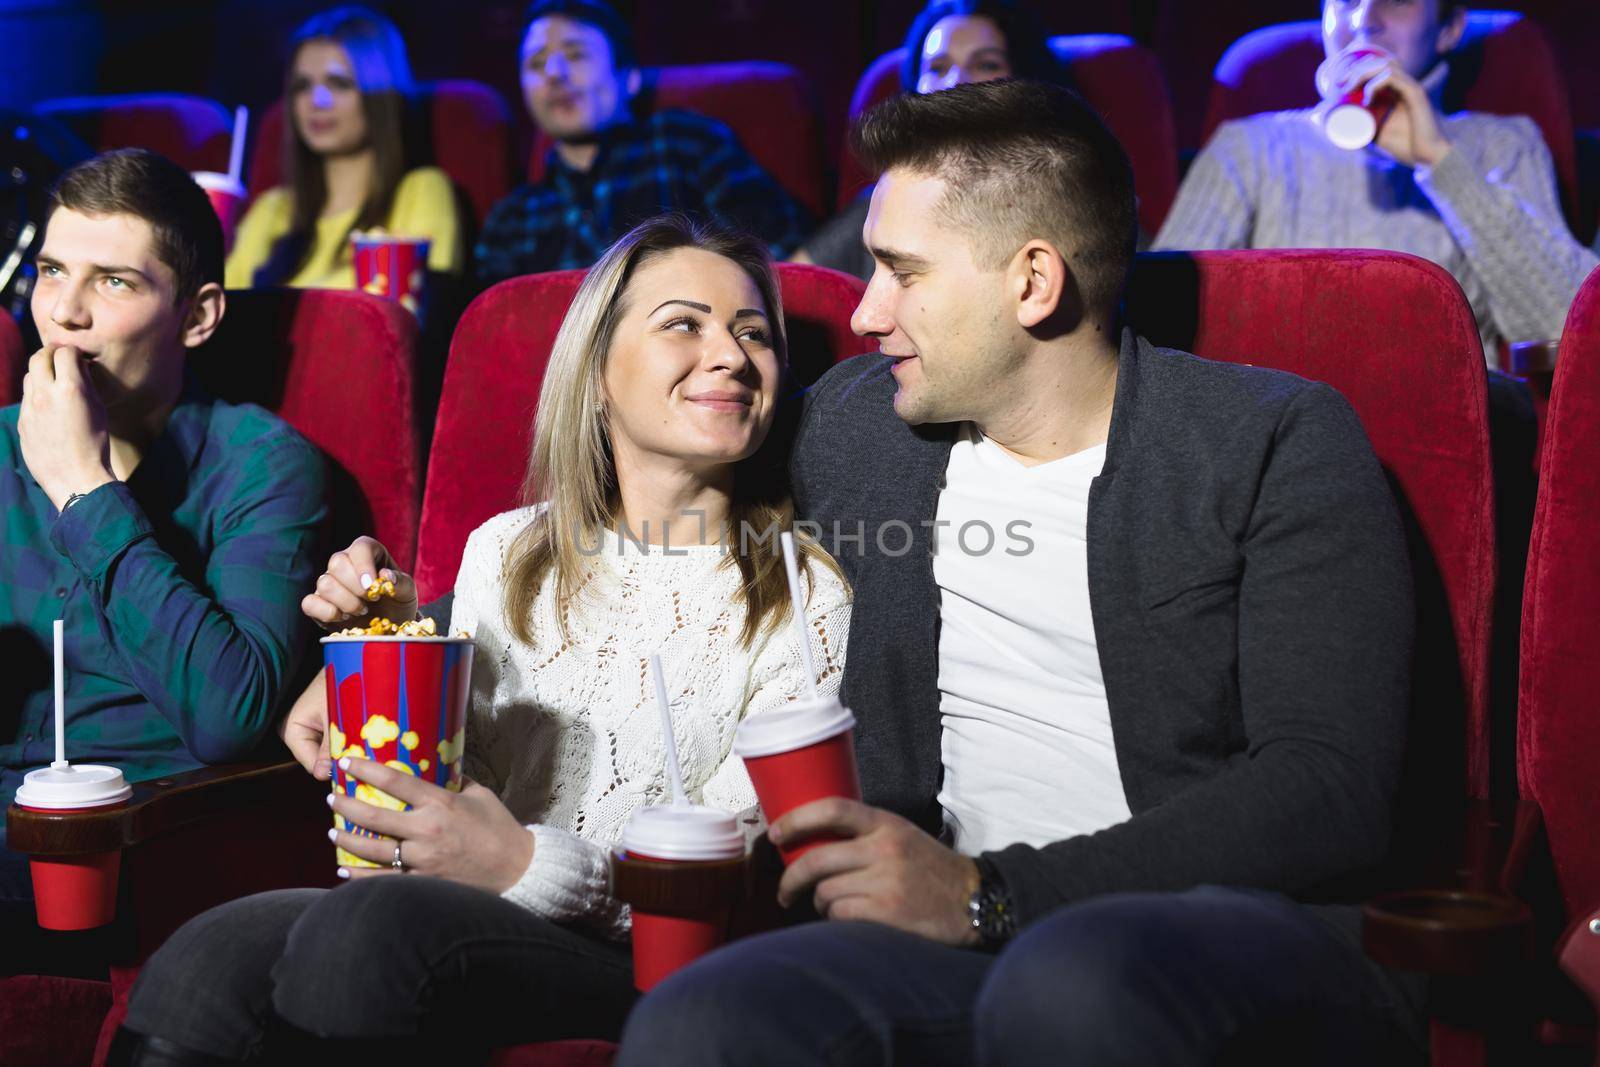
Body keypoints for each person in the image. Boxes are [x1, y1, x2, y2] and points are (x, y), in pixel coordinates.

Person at [617, 80, 1425, 1066]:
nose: (865, 312)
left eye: (900, 272)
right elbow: (662, 522)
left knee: (1071, 981)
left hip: (1219, 932)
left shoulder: (1273, 437)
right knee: (701, 1017)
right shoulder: (858, 424)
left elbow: (1326, 784)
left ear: (1033, 282)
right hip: (948, 940)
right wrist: (401, 598)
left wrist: (987, 891)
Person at [113, 215, 851, 1063]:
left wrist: (522, 862)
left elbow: (748, 863)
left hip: (648, 949)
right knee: (203, 956)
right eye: (685, 322)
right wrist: (383, 645)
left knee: (368, 931)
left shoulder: (802, 591)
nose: (730, 353)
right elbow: (436, 779)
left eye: (753, 332)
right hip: (445, 905)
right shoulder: (507, 550)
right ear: (598, 370)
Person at [1, 150, 327, 962]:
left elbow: (230, 715)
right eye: (50, 271)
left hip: (147, 843)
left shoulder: (262, 463)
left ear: (198, 315)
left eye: (113, 282)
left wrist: (83, 486)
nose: (64, 313)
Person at [1155, 0, 1597, 357]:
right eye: (1346, 2)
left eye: (1398, 2)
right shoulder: (1249, 146)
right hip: (1276, 424)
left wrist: (1439, 160)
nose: (1364, 20)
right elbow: (1156, 317)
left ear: (1450, 29)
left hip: (1445, 428)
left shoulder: (1502, 143)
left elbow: (1575, 326)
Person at [473, 0, 810, 288]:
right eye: (536, 63)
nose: (554, 73)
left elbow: (777, 257)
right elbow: (487, 330)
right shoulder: (513, 217)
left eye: (575, 55)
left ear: (629, 77)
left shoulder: (685, 144)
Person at [795, 0, 1062, 280]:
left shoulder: (1057, 194)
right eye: (938, 67)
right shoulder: (883, 200)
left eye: (986, 64)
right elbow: (787, 285)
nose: (956, 82)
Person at [225, 6, 464, 289]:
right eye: (302, 86)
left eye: (339, 84)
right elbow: (223, 309)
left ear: (380, 95)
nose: (317, 101)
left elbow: (413, 303)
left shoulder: (422, 191)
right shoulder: (272, 209)